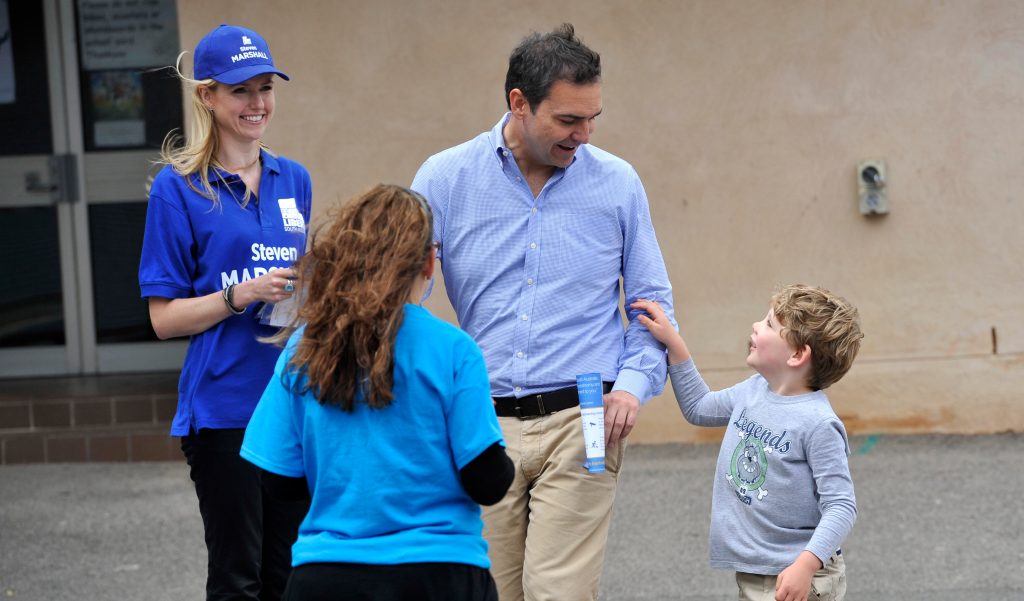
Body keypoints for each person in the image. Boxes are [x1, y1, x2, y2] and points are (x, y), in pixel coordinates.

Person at [411, 23, 675, 601]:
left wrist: (631, 386)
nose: (583, 134)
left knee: (557, 592)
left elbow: (651, 302)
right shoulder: (444, 178)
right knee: (485, 591)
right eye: (567, 120)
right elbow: (404, 295)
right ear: (519, 103)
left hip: (585, 418)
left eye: (592, 119)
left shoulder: (617, 183)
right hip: (478, 421)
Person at [239, 184, 514, 601]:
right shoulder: (453, 349)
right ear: (428, 261)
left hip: (326, 576)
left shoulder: (304, 346)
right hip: (439, 574)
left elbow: (279, 481)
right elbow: (487, 482)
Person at [138, 24, 311, 601]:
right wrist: (239, 296)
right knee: (240, 580)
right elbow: (163, 319)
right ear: (207, 96)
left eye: (265, 87)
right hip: (223, 411)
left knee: (290, 577)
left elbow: (296, 286)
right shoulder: (178, 189)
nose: (257, 103)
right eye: (240, 90)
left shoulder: (295, 180)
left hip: (290, 404)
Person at [631, 285, 862, 601]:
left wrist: (806, 566)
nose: (756, 326)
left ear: (797, 354)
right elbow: (699, 407)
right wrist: (674, 343)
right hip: (758, 572)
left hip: (798, 577)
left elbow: (841, 506)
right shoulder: (754, 390)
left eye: (769, 324)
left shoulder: (819, 424)